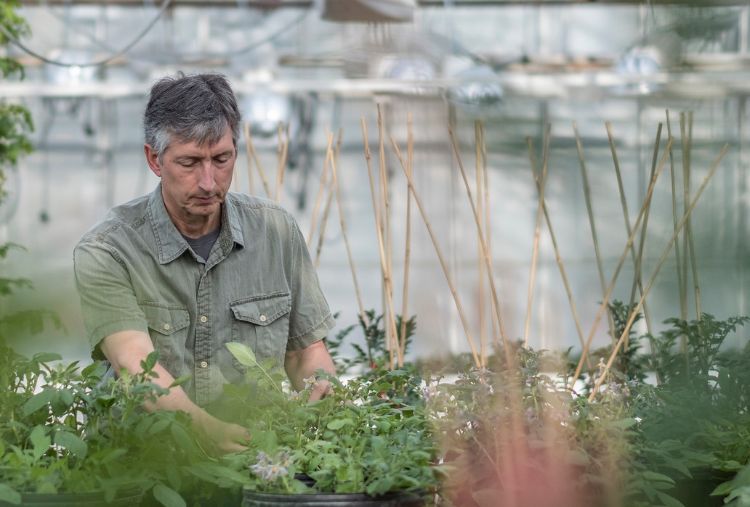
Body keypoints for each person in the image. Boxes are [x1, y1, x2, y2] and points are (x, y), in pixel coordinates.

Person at [73, 73, 336, 454]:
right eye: (190, 162)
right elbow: (135, 368)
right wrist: (205, 431)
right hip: (142, 469)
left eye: (221, 159)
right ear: (154, 159)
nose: (209, 182)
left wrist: (320, 391)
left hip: (256, 462)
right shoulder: (108, 250)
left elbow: (305, 352)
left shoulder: (275, 232)